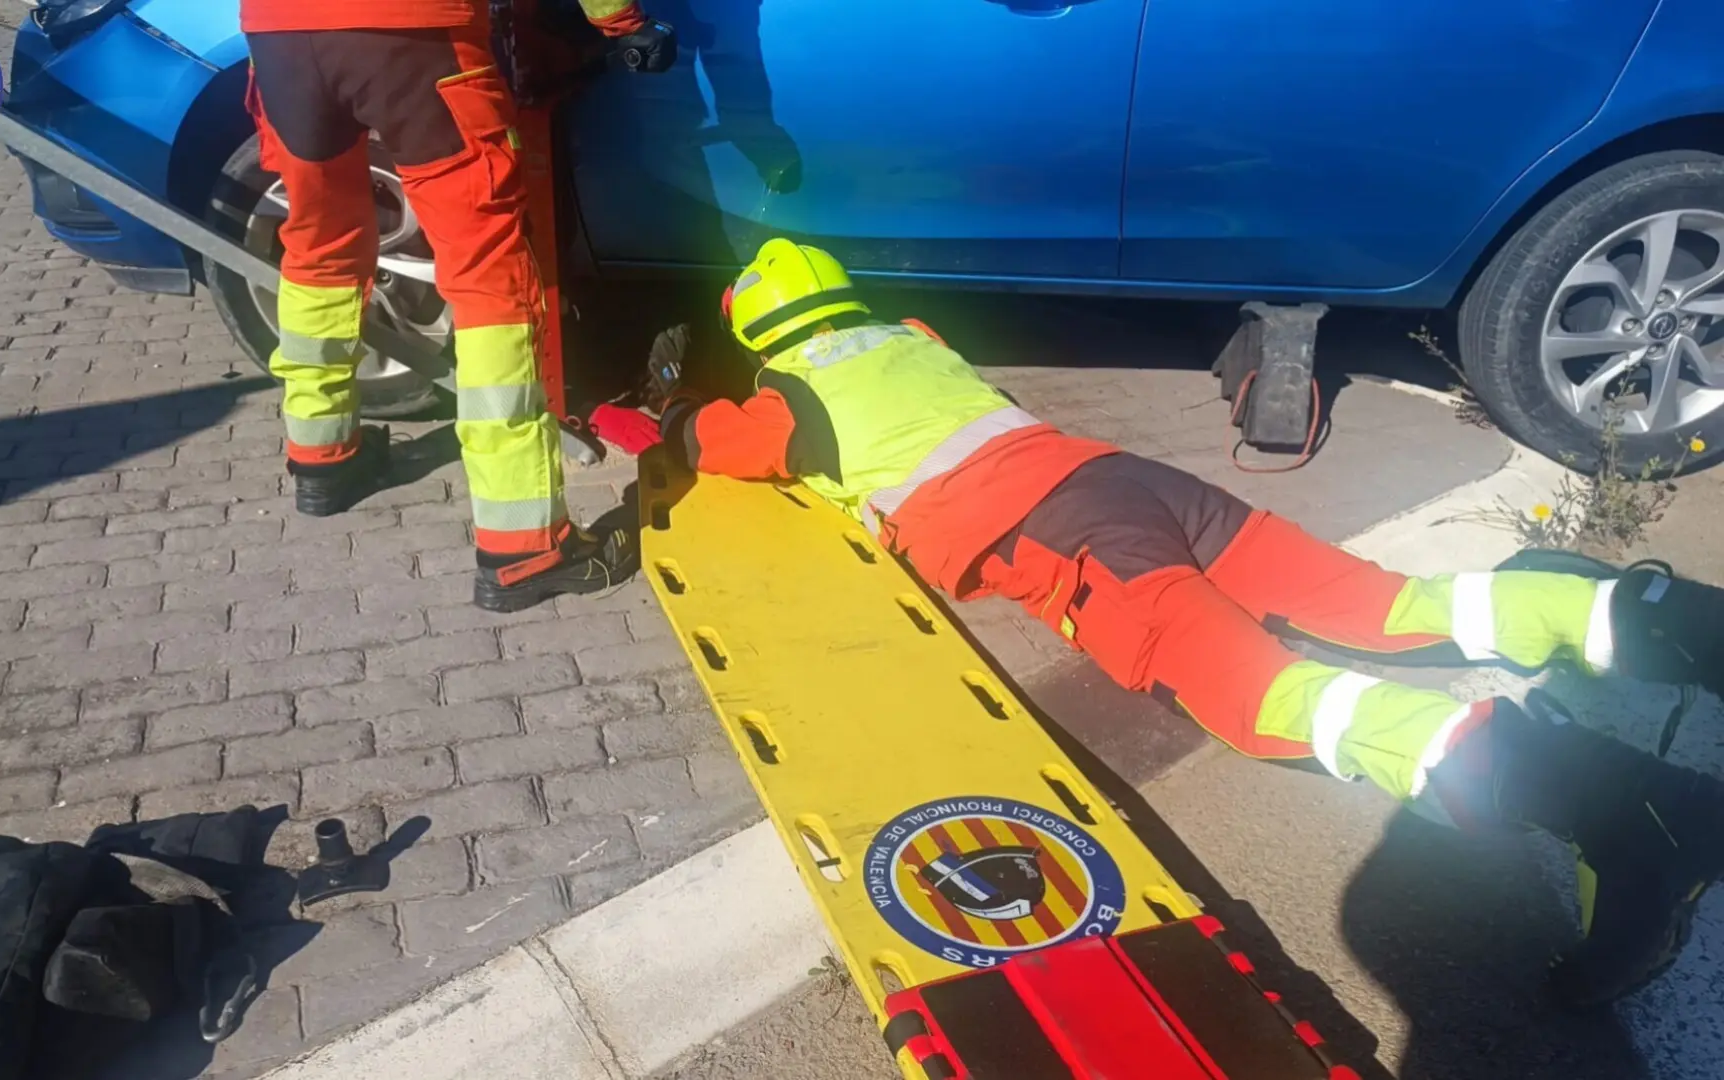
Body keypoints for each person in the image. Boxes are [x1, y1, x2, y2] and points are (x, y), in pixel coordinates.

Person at [652, 237, 1724, 1009]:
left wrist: (649, 414)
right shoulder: (910, 337)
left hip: (1074, 542)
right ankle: (1666, 623)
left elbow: (715, 442)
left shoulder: (792, 400)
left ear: (762, 337)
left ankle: (1632, 823)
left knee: (1267, 702)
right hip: (1130, 479)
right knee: (1378, 606)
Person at [239, 0, 672, 611]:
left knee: (318, 245)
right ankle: (525, 547)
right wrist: (622, 22)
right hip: (414, 34)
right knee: (488, 276)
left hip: (279, 34)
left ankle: (323, 459)